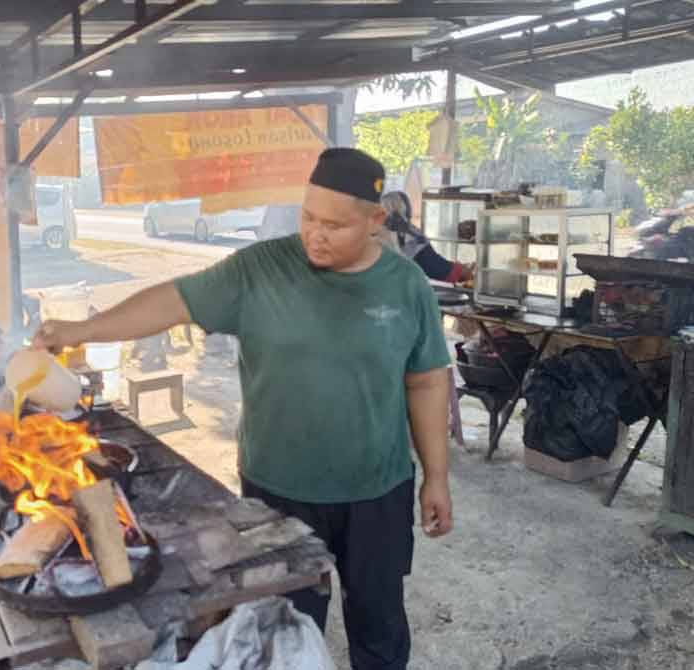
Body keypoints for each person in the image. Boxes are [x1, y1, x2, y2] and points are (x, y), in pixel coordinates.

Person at [33, 148, 454, 670]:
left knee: (380, 625)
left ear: (375, 221)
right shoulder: (261, 269)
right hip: (280, 493)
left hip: (377, 492)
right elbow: (172, 301)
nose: (315, 234)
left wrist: (436, 477)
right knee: (280, 632)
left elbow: (427, 383)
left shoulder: (406, 285)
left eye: (334, 225)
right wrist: (82, 329)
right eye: (308, 217)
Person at [380, 190, 474, 284]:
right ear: (403, 208)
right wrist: (462, 271)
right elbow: (435, 268)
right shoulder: (409, 234)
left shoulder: (376, 230)